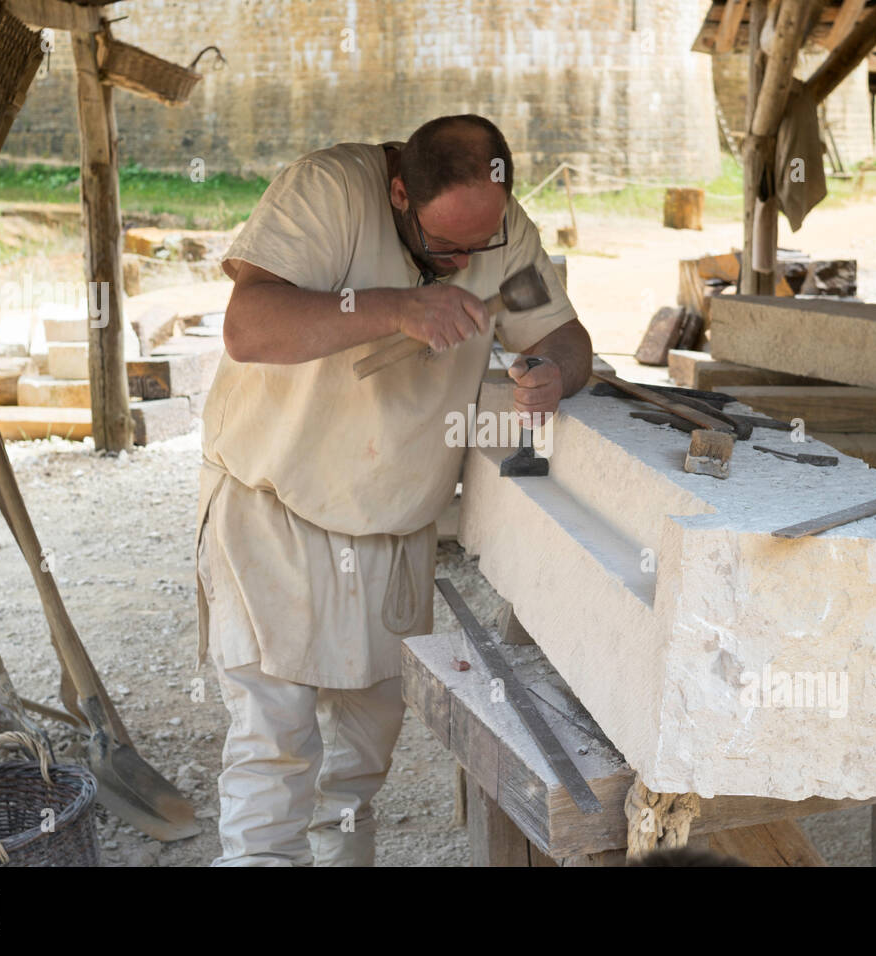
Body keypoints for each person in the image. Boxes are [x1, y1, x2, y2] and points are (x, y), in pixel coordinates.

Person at [195, 114, 593, 865]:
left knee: (355, 774)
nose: (464, 261)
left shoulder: (501, 237)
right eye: (446, 246)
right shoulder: (327, 192)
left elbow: (564, 337)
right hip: (274, 508)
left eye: (482, 242)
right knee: (273, 757)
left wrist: (550, 375)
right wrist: (395, 307)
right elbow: (248, 324)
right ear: (401, 192)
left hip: (393, 529)